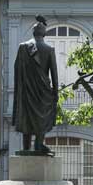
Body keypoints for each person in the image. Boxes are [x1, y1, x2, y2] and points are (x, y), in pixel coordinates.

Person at [12, 15, 59, 155]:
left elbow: (17, 69)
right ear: (44, 33)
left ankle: (26, 147)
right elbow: (54, 74)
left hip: (27, 90)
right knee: (42, 117)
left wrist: (20, 88)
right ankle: (39, 144)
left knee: (26, 117)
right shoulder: (49, 49)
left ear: (33, 32)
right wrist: (55, 92)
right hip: (43, 91)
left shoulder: (23, 47)